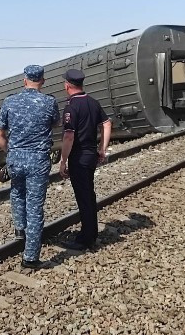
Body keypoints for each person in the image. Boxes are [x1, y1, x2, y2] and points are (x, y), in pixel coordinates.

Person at [0, 65, 60, 269]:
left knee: (17, 192)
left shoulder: (10, 101)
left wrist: (10, 152)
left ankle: (20, 230)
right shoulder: (49, 102)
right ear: (42, 81)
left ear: (24, 80)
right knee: (35, 205)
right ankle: (30, 257)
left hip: (16, 158)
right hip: (38, 160)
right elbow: (56, 124)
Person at [58, 69, 112, 251]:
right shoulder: (93, 102)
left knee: (84, 197)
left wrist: (63, 160)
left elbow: (68, 137)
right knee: (89, 194)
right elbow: (107, 123)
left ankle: (85, 238)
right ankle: (91, 232)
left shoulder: (71, 107)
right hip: (90, 156)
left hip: (78, 157)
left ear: (67, 85)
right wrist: (102, 149)